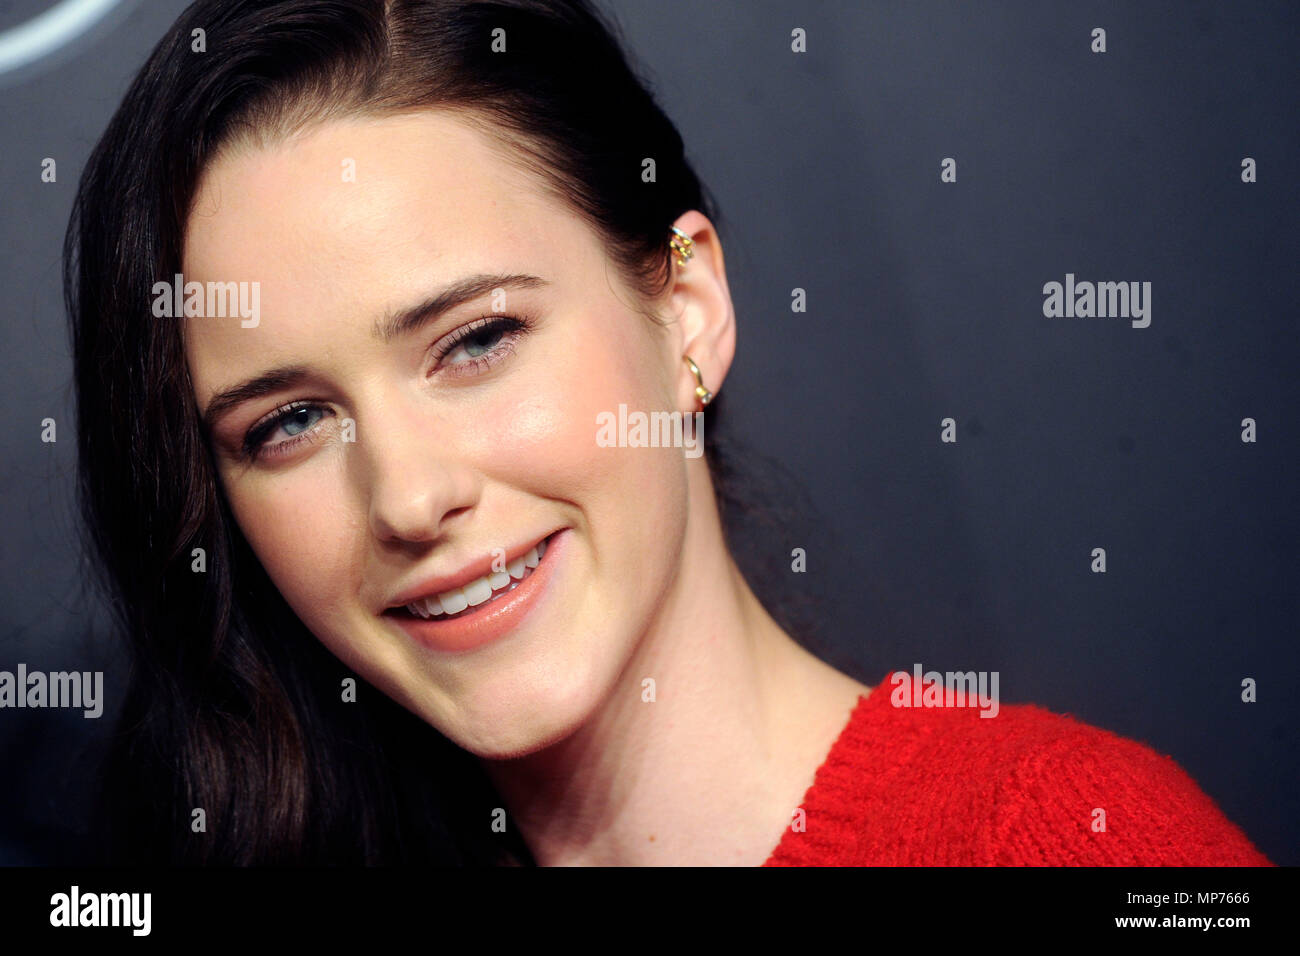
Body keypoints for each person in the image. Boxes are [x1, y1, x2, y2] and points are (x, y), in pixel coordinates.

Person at [67, 0, 1271, 866]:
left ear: (684, 309)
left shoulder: (1065, 842)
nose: (406, 493)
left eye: (475, 341)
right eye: (287, 421)